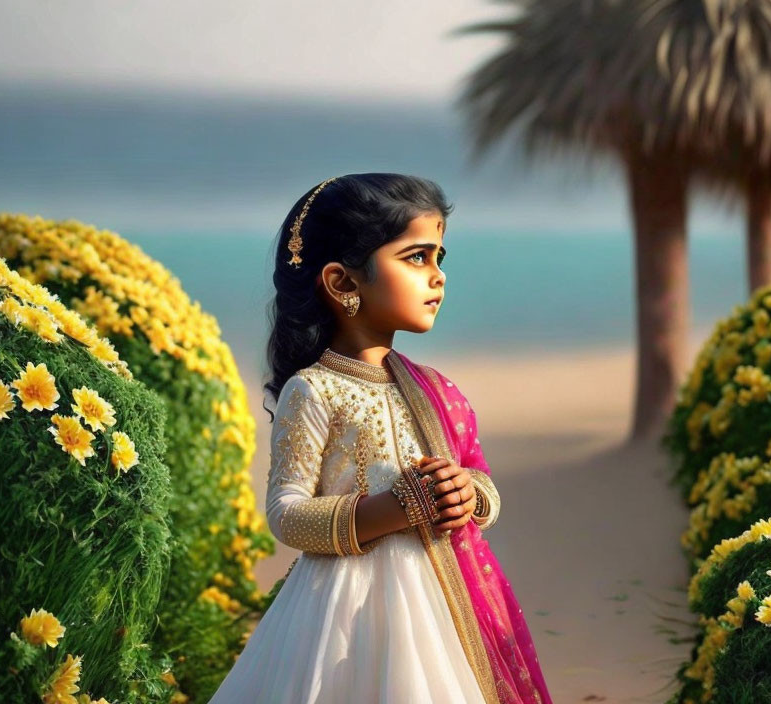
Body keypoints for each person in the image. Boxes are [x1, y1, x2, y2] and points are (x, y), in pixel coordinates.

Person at [209, 174, 552, 703]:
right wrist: (391, 510)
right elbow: (286, 512)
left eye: (440, 258)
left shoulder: (439, 389)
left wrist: (470, 494)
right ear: (343, 283)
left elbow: (480, 477)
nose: (437, 277)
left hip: (444, 602)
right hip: (345, 614)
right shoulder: (315, 390)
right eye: (417, 258)